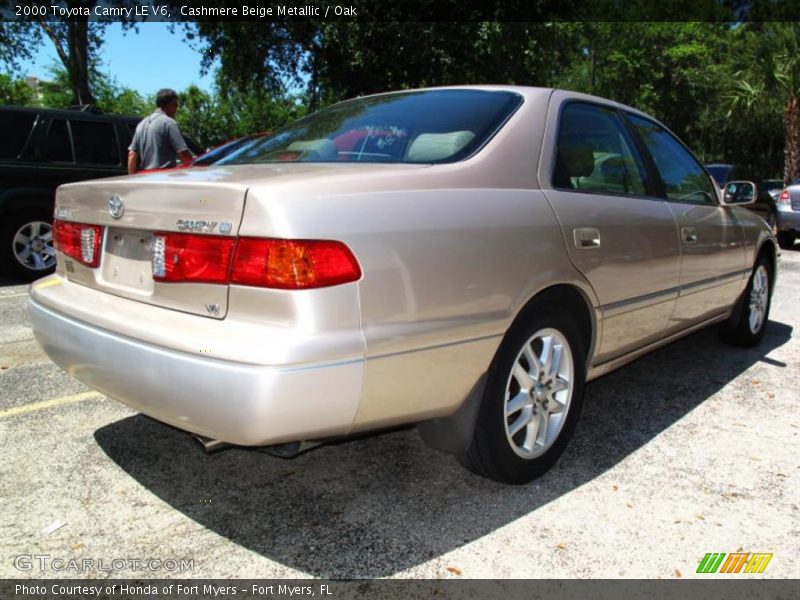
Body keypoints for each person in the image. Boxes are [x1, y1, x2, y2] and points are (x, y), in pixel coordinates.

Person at [127, 88, 193, 174]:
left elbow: (132, 154)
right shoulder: (169, 123)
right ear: (164, 105)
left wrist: (132, 179)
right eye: (175, 105)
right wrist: (195, 169)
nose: (176, 109)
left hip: (144, 178)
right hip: (163, 177)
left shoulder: (141, 124)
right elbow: (183, 154)